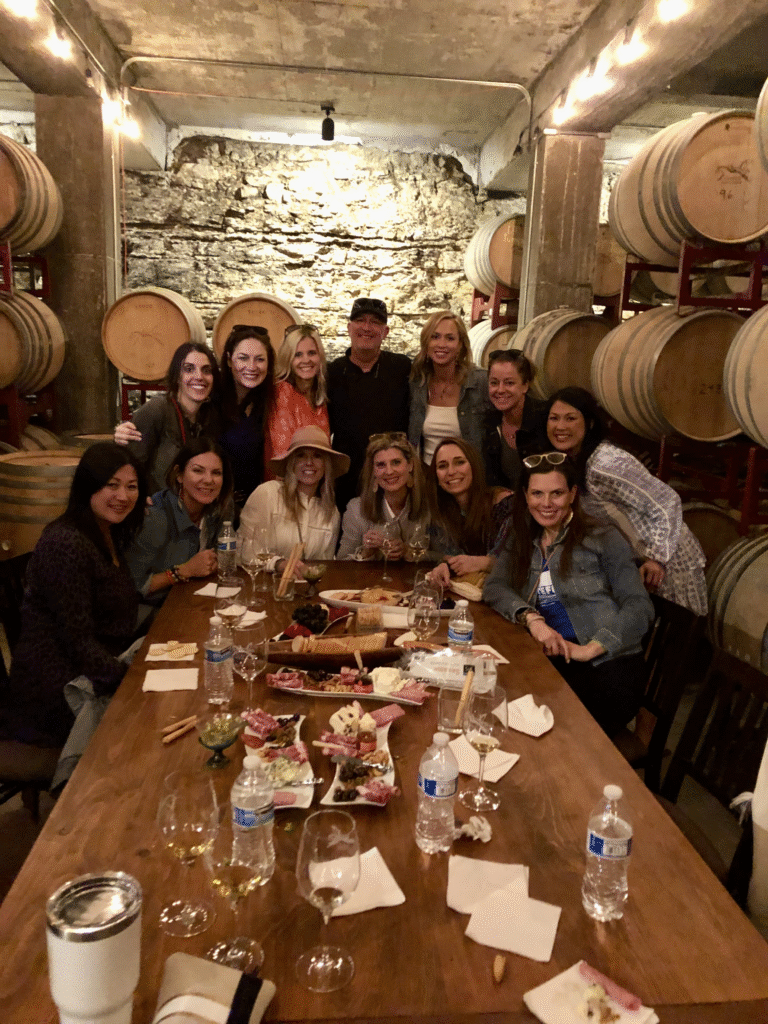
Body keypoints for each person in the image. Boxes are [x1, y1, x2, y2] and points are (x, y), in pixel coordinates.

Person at [484, 453, 654, 738]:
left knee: (528, 722)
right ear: (525, 496)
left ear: (573, 494)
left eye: (557, 493)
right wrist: (533, 620)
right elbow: (495, 586)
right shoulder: (525, 536)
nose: (546, 504)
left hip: (607, 668)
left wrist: (591, 648)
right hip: (557, 661)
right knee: (496, 699)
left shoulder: (602, 536)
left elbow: (639, 607)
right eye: (537, 493)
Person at [0, 443, 146, 749]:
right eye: (112, 485)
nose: (123, 496)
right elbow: (77, 643)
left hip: (94, 670)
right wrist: (131, 679)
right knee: (152, 728)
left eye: (131, 487)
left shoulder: (106, 532)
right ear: (87, 487)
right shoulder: (65, 543)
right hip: (59, 692)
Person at [543, 386, 707, 615]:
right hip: (638, 561)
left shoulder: (606, 464)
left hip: (668, 561)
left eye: (570, 418)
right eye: (554, 418)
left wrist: (657, 558)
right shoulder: (571, 460)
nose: (560, 427)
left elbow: (667, 501)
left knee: (672, 640)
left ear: (589, 423)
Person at [125, 438, 233, 614]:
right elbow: (131, 587)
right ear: (179, 475)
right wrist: (185, 570)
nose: (208, 480)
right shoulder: (155, 517)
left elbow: (226, 557)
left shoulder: (219, 511)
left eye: (216, 473)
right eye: (198, 471)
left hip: (194, 605)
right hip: (151, 616)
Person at [327, 297, 411, 512]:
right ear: (349, 328)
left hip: (392, 479)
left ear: (385, 331)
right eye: (360, 321)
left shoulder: (402, 368)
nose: (367, 327)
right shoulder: (332, 373)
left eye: (375, 322)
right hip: (345, 480)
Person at [115, 342, 222, 494]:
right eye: (189, 369)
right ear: (177, 376)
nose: (199, 376)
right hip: (155, 510)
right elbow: (128, 468)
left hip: (190, 507)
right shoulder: (156, 410)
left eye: (206, 370)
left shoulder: (210, 417)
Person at [238, 425, 349, 570]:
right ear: (292, 463)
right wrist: (279, 564)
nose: (309, 462)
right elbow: (244, 551)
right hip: (262, 587)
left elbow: (324, 565)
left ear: (326, 465)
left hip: (305, 589)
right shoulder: (268, 494)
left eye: (317, 456)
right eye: (301, 455)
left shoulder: (331, 512)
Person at [427, 436, 513, 587]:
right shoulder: (441, 512)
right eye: (442, 466)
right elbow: (455, 558)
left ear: (474, 465)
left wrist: (482, 562)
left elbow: (519, 561)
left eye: (459, 462)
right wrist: (447, 567)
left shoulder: (504, 502)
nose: (451, 472)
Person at [408, 310, 490, 464]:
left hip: (467, 478)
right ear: (426, 342)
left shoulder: (480, 382)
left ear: (460, 345)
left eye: (450, 338)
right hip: (427, 478)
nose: (441, 344)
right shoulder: (416, 383)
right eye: (435, 337)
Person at [337, 432, 429, 560]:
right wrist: (366, 552)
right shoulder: (356, 509)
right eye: (381, 465)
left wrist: (408, 552)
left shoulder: (428, 507)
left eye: (396, 462)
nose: (389, 471)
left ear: (410, 465)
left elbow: (442, 558)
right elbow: (340, 563)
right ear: (373, 471)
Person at [217, 323, 274, 506]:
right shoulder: (211, 398)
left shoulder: (267, 401)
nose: (252, 366)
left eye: (259, 359)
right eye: (243, 358)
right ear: (228, 360)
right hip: (213, 503)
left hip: (252, 505)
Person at [264, 323, 330, 478]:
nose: (306, 360)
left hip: (312, 482)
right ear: (288, 359)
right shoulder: (282, 392)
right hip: (286, 487)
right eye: (298, 355)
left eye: (312, 353)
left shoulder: (318, 395)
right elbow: (283, 455)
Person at [482, 348, 547, 491]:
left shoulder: (546, 419)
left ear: (525, 385)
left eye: (509, 383)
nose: (500, 390)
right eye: (494, 383)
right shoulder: (489, 423)